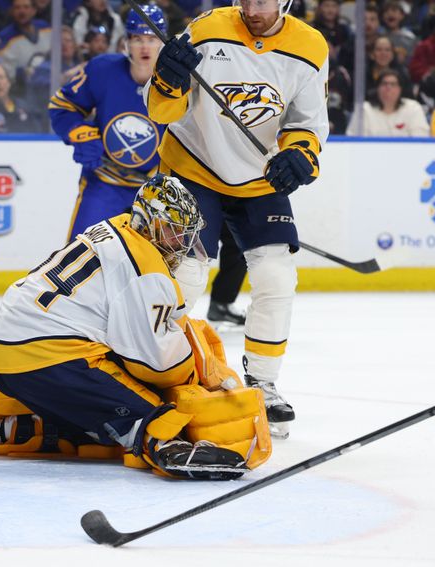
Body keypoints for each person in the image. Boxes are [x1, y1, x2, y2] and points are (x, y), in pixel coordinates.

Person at [0, 174, 272, 479]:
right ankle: (166, 445)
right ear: (150, 223)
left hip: (4, 356)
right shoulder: (146, 268)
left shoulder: (115, 226)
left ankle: (5, 429)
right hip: (53, 357)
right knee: (153, 409)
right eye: (173, 230)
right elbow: (158, 364)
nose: (180, 242)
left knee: (102, 416)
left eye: (184, 233)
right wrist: (199, 374)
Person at [144, 0, 330, 439]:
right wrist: (167, 81)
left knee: (277, 276)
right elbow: (160, 112)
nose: (253, 6)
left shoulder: (310, 46)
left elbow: (308, 123)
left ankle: (263, 383)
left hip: (259, 179)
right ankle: (159, 373)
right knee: (186, 277)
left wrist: (301, 155)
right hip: (194, 165)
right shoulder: (208, 29)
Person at [48, 4, 166, 241]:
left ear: (163, 43)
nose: (144, 46)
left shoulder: (179, 82)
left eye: (151, 39)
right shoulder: (102, 70)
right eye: (137, 38)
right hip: (104, 182)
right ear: (126, 43)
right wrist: (80, 134)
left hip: (156, 191)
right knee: (80, 255)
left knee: (158, 265)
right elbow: (63, 107)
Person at [355, 69, 430, 136]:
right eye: (384, 84)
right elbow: (355, 143)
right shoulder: (364, 110)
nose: (388, 87)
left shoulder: (413, 108)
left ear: (400, 89)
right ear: (377, 88)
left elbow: (420, 140)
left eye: (393, 84)